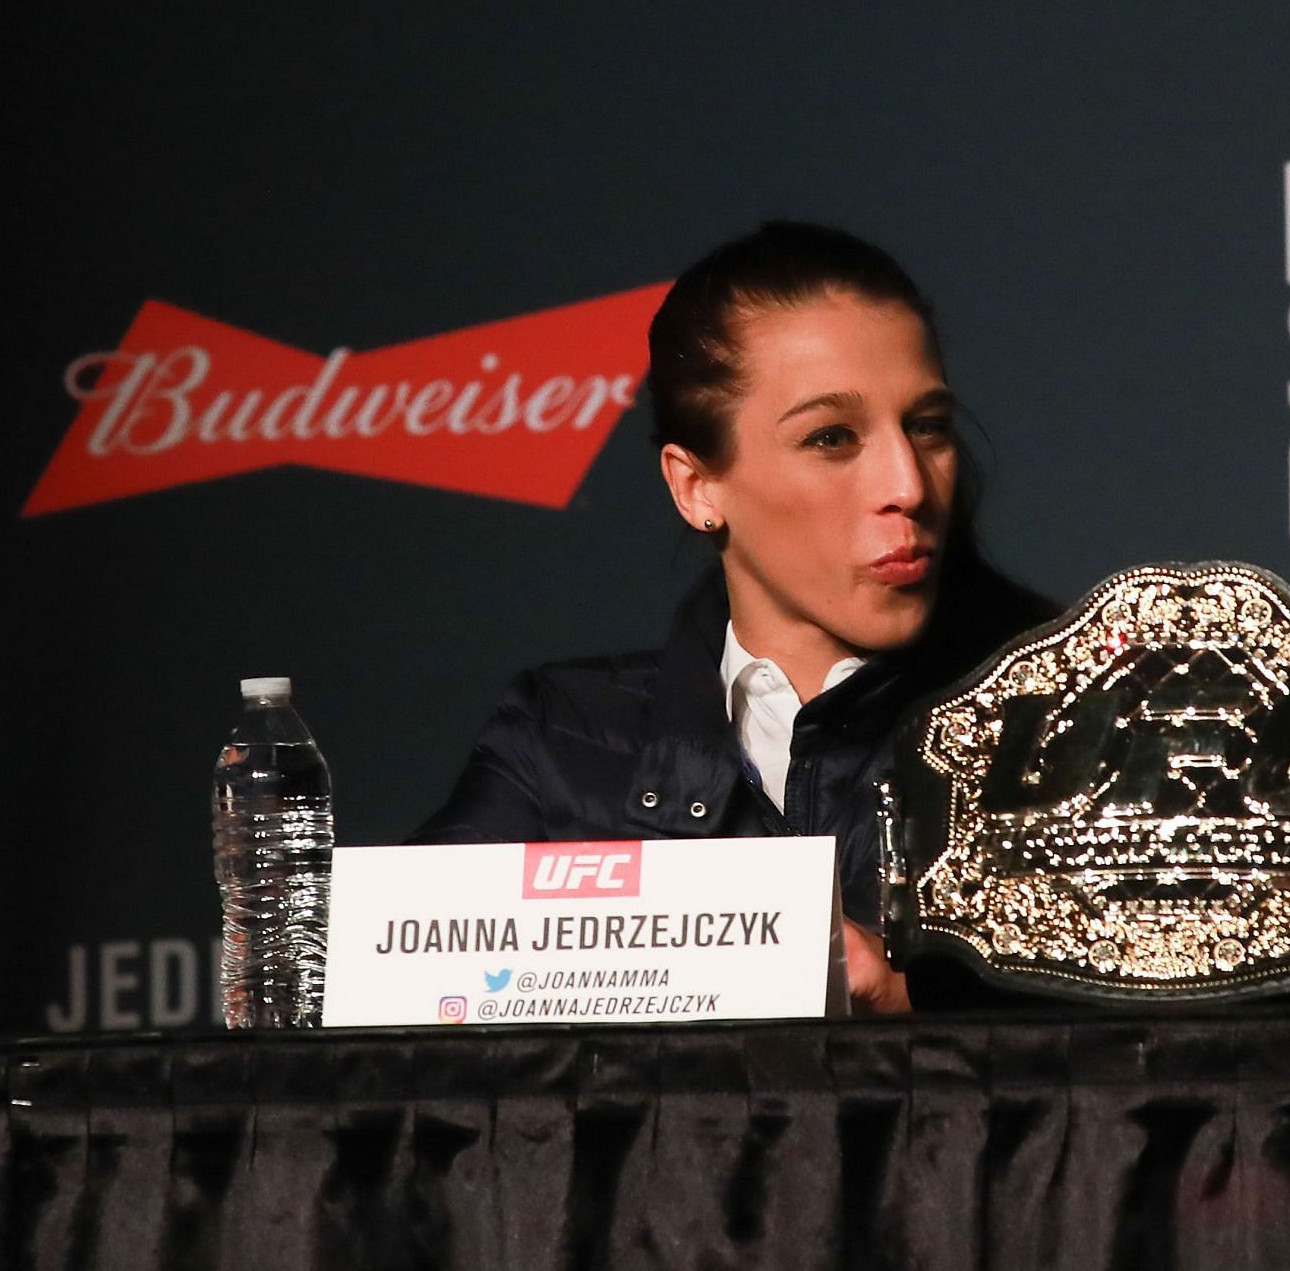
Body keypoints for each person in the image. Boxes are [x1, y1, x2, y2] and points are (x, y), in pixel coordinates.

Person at [410, 221, 1058, 1012]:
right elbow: (402, 1016)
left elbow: (1177, 1074)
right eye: (832, 437)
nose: (910, 486)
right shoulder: (558, 739)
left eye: (927, 427)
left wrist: (911, 1001)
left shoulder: (1060, 725)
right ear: (696, 488)